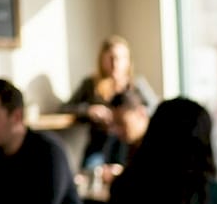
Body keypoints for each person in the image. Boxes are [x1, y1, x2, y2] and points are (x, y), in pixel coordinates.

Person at [64, 36, 157, 169]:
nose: (115, 63)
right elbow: (65, 108)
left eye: (120, 58)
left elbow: (156, 108)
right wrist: (89, 110)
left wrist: (130, 116)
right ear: (102, 60)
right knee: (91, 175)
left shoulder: (136, 84)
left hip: (128, 143)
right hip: (99, 143)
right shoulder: (91, 84)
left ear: (128, 61)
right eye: (111, 58)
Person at [93, 89, 149, 185]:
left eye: (122, 123)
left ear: (141, 113)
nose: (117, 130)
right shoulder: (121, 142)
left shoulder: (160, 142)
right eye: (114, 124)